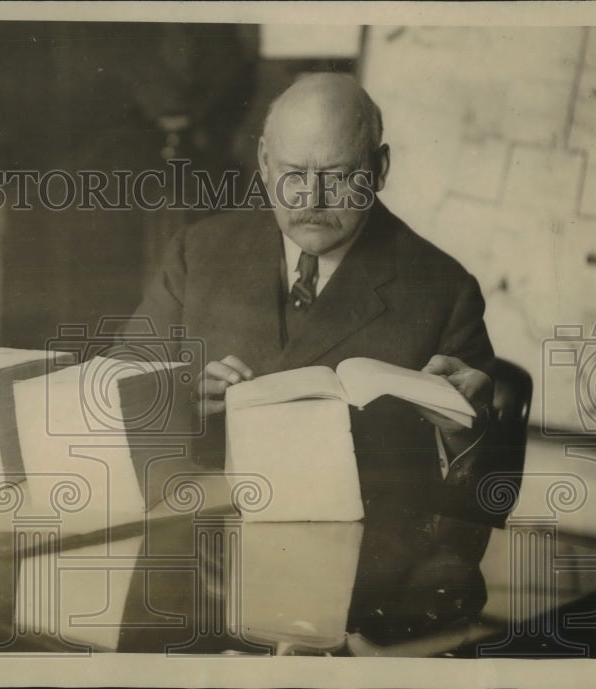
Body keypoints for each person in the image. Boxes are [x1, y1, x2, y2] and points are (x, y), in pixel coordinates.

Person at [130, 72, 495, 515]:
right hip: (210, 550)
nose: (312, 198)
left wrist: (465, 435)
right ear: (264, 161)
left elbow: (485, 505)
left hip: (362, 566)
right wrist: (178, 400)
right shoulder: (197, 252)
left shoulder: (444, 292)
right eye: (293, 173)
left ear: (378, 169)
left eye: (337, 176)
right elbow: (113, 394)